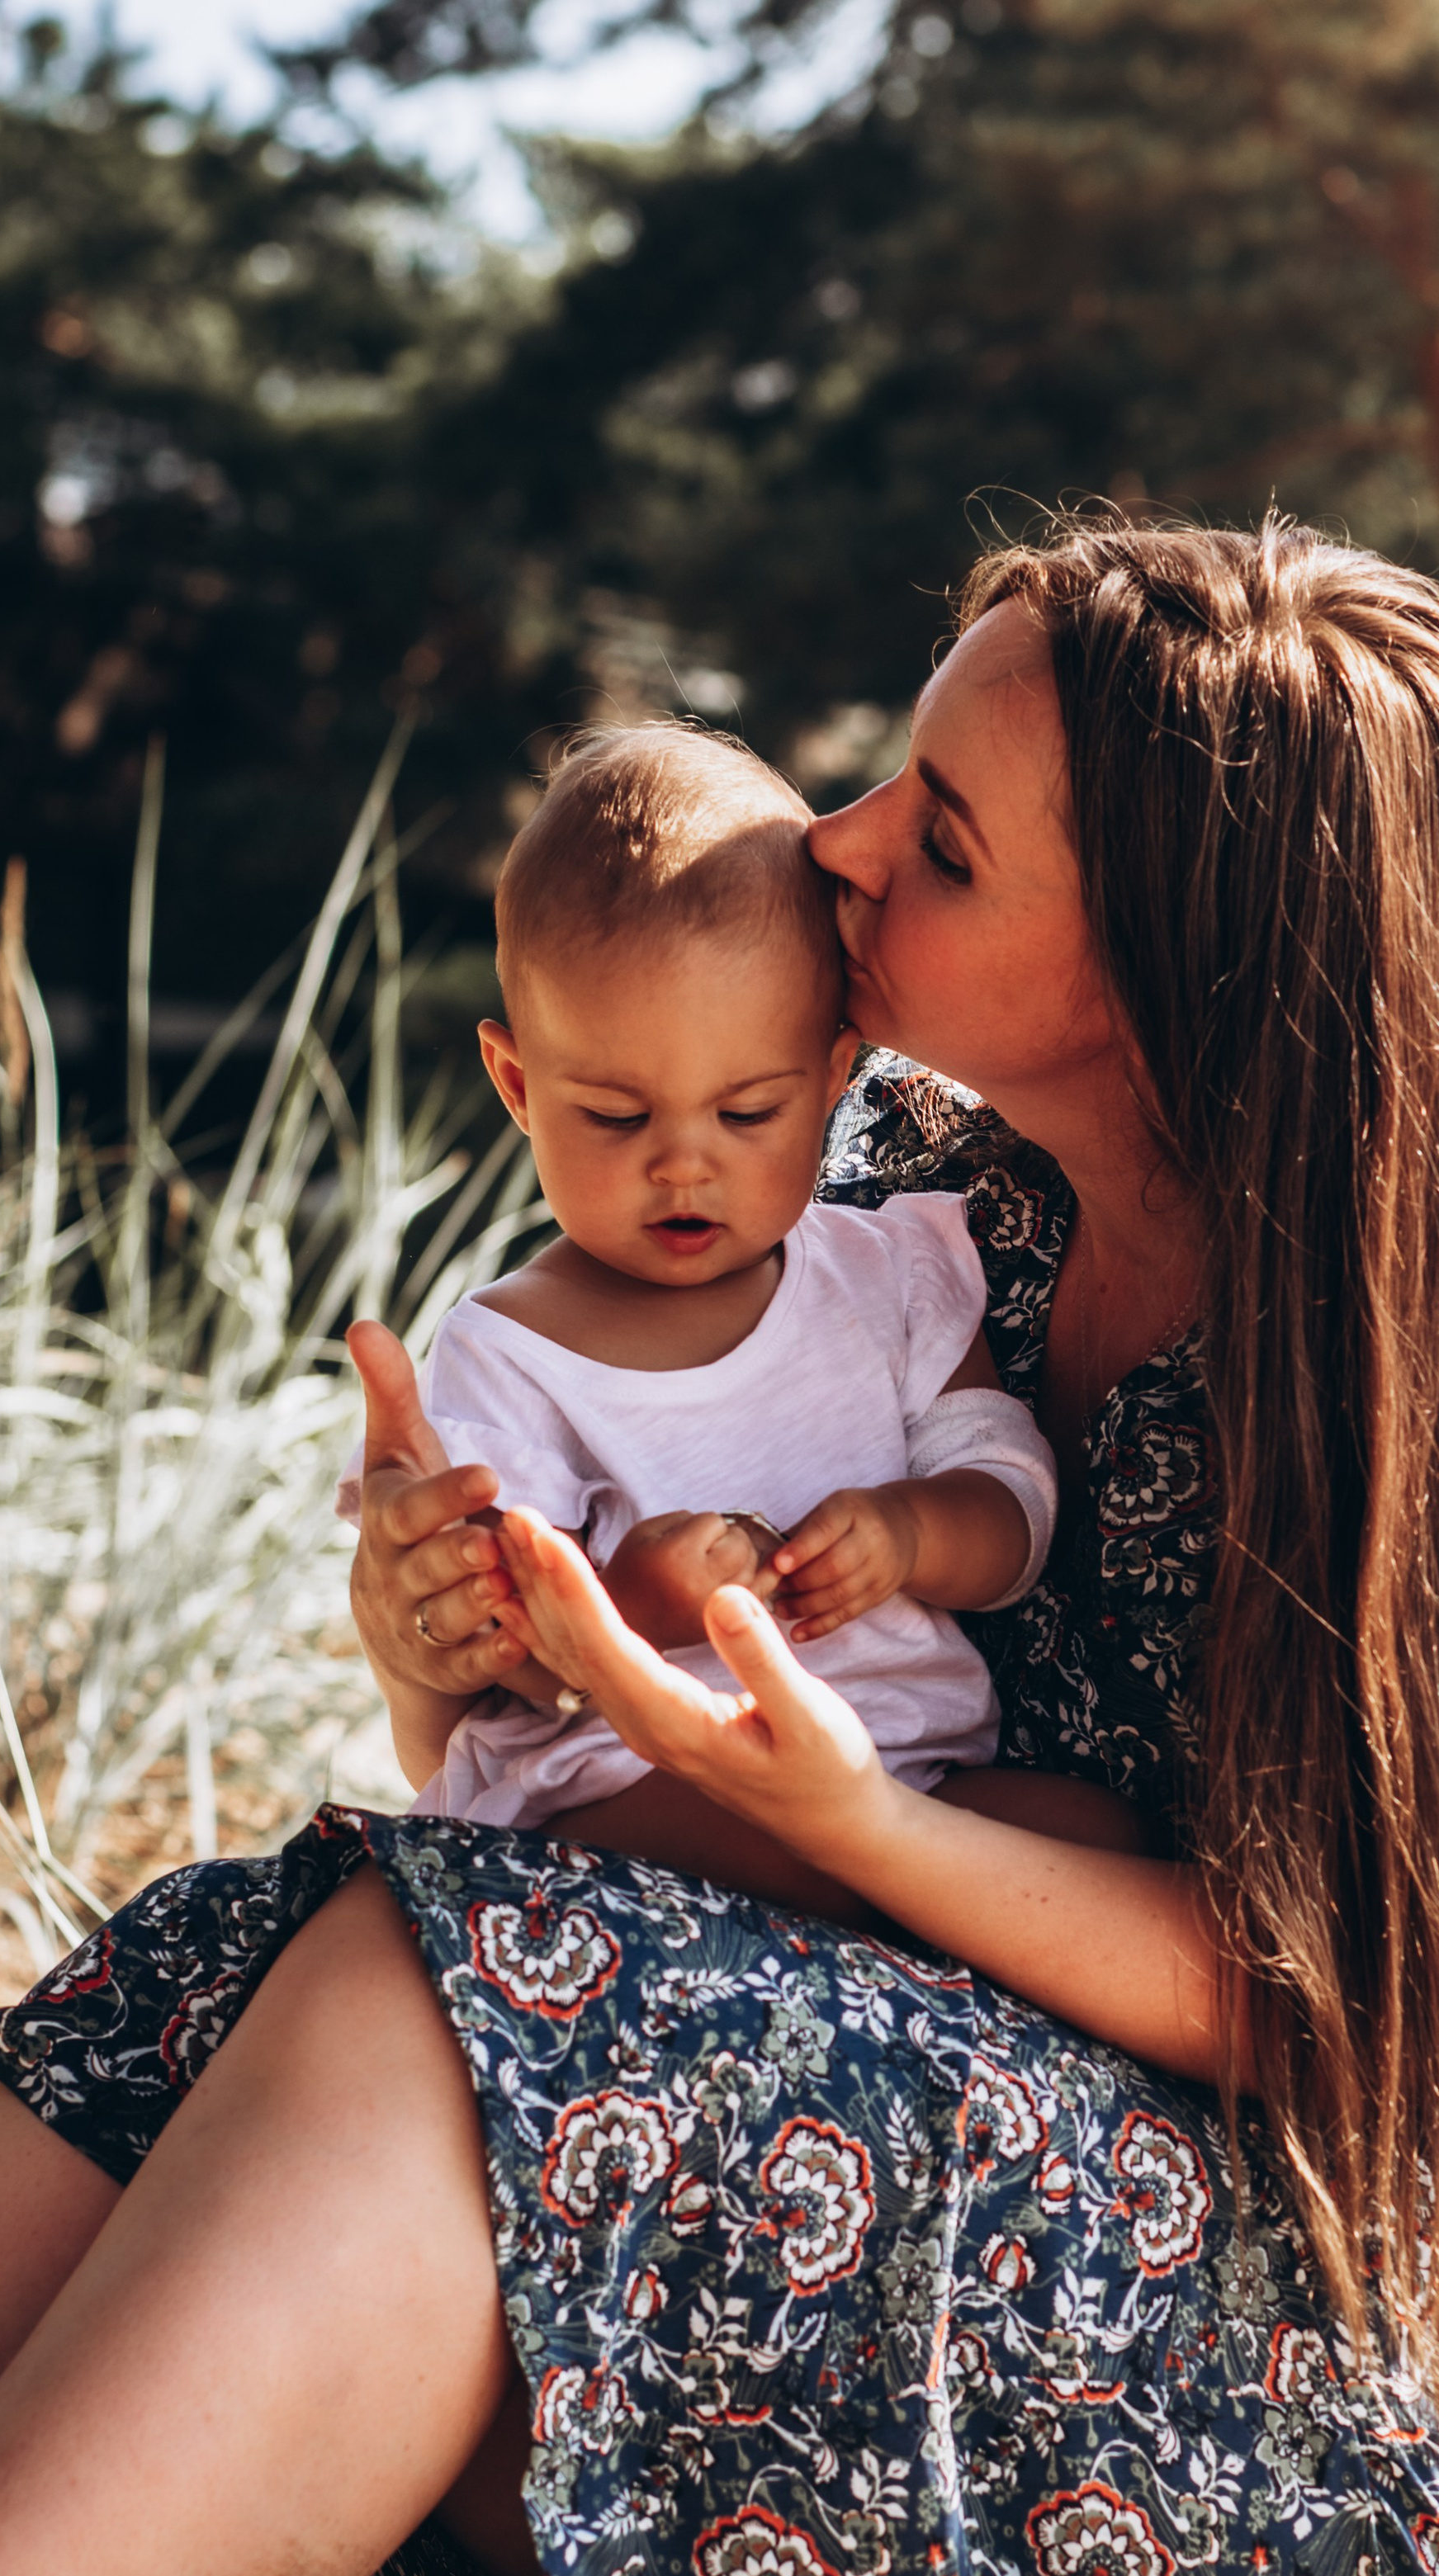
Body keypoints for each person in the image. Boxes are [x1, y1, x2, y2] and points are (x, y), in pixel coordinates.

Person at [0, 517, 1439, 2576]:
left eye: (949, 835)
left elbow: (1359, 2014)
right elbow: (578, 1742)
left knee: (458, 1991)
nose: (840, 838)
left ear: (1175, 949)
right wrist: (455, 1639)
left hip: (1388, 2318)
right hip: (972, 2026)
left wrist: (850, 1822)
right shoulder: (926, 1194)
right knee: (242, 1948)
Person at [374, 718, 1062, 1873]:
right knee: (737, 1840)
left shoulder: (893, 1273)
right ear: (518, 1084)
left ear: (834, 1078)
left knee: (1096, 1836)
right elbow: (499, 1651)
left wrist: (911, 1533)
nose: (684, 1166)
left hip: (912, 1785)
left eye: (748, 1113)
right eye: (617, 1116)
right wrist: (630, 1599)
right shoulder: (509, 1352)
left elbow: (1016, 1504)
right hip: (640, 1783)